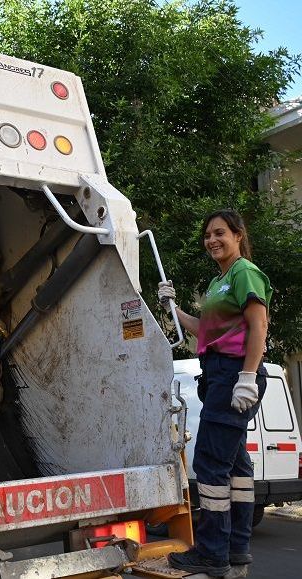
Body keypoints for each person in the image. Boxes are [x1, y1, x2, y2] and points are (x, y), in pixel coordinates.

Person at [158, 210, 271, 577]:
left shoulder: (244, 272)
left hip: (234, 374)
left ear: (238, 235)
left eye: (219, 233)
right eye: (207, 235)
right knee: (236, 468)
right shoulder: (219, 281)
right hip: (220, 374)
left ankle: (212, 553)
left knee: (209, 465)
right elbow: (203, 332)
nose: (212, 240)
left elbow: (259, 327)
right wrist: (171, 309)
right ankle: (235, 551)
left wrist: (248, 377)